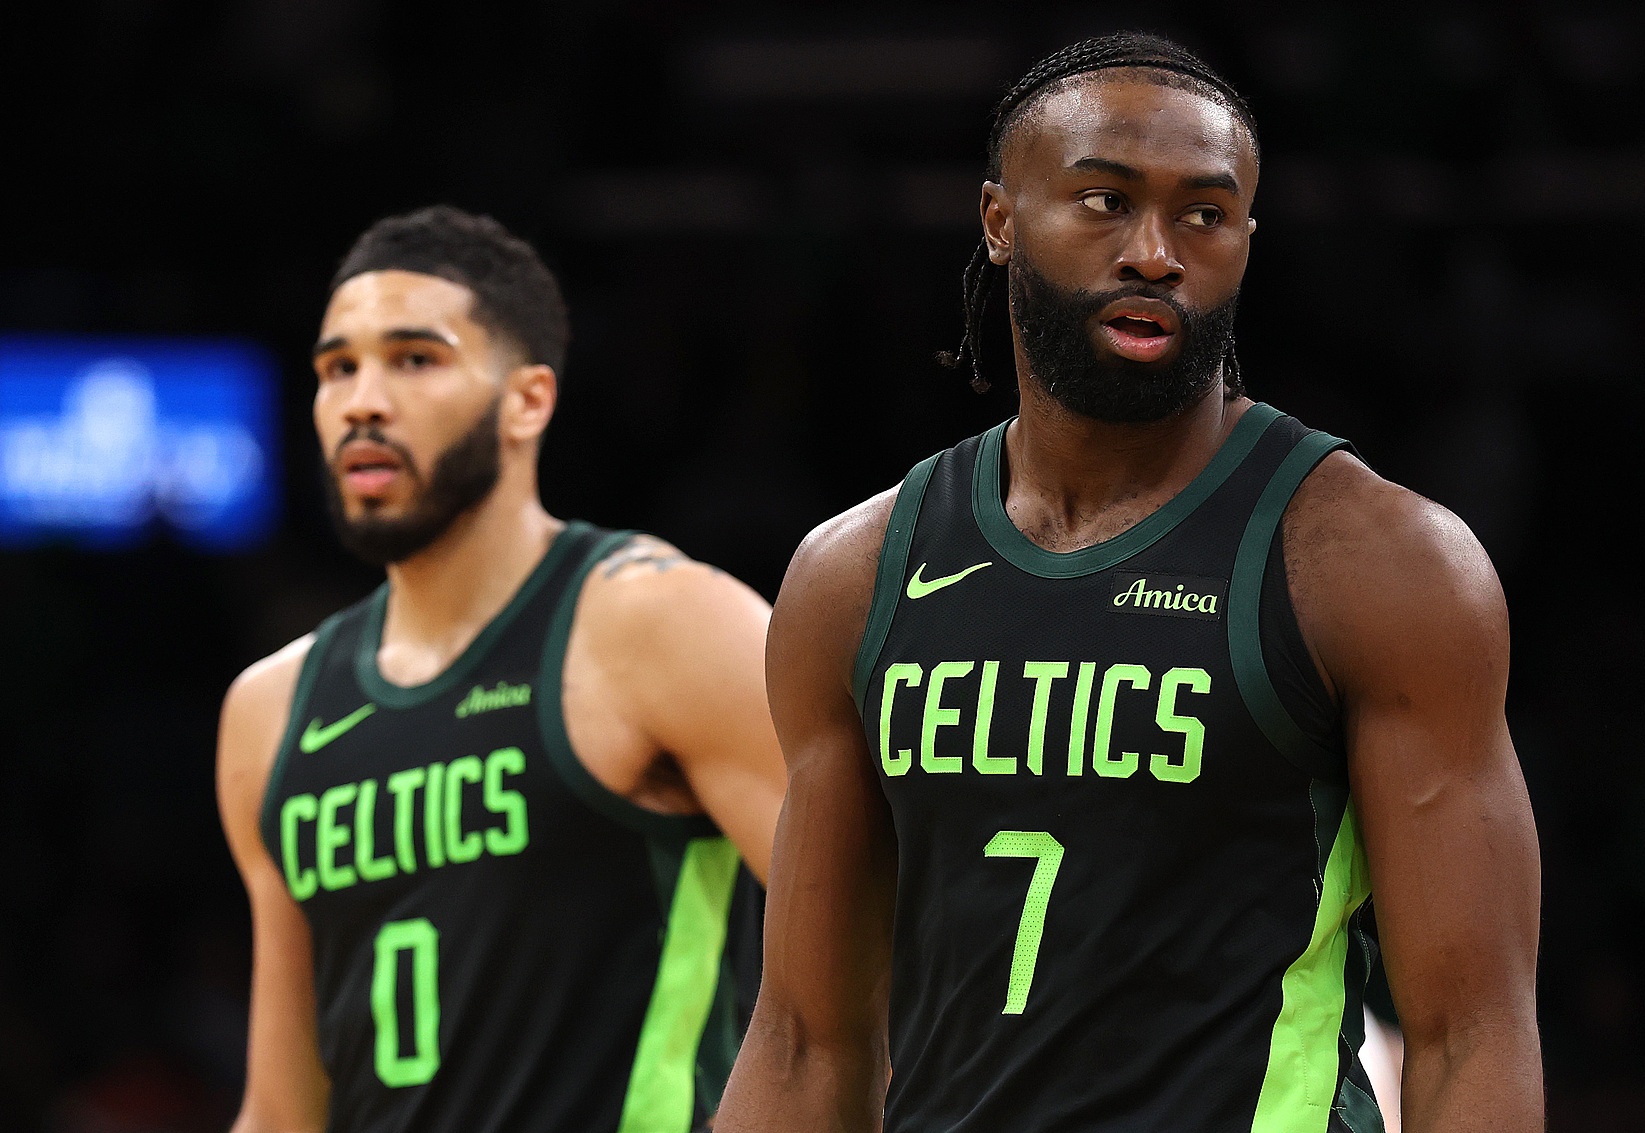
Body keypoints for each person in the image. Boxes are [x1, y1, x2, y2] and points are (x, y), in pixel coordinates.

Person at [717, 32, 1541, 1133]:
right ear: (1000, 220)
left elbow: (1470, 1033)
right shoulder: (854, 576)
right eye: (1104, 201)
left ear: (1245, 241)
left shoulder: (1377, 564)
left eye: (1203, 214)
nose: (1155, 253)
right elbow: (803, 1040)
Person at [216, 205, 786, 1133]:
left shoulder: (660, 623)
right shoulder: (271, 707)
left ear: (528, 400)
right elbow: (282, 1107)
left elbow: (883, 959)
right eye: (337, 368)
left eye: (414, 359)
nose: (362, 401)